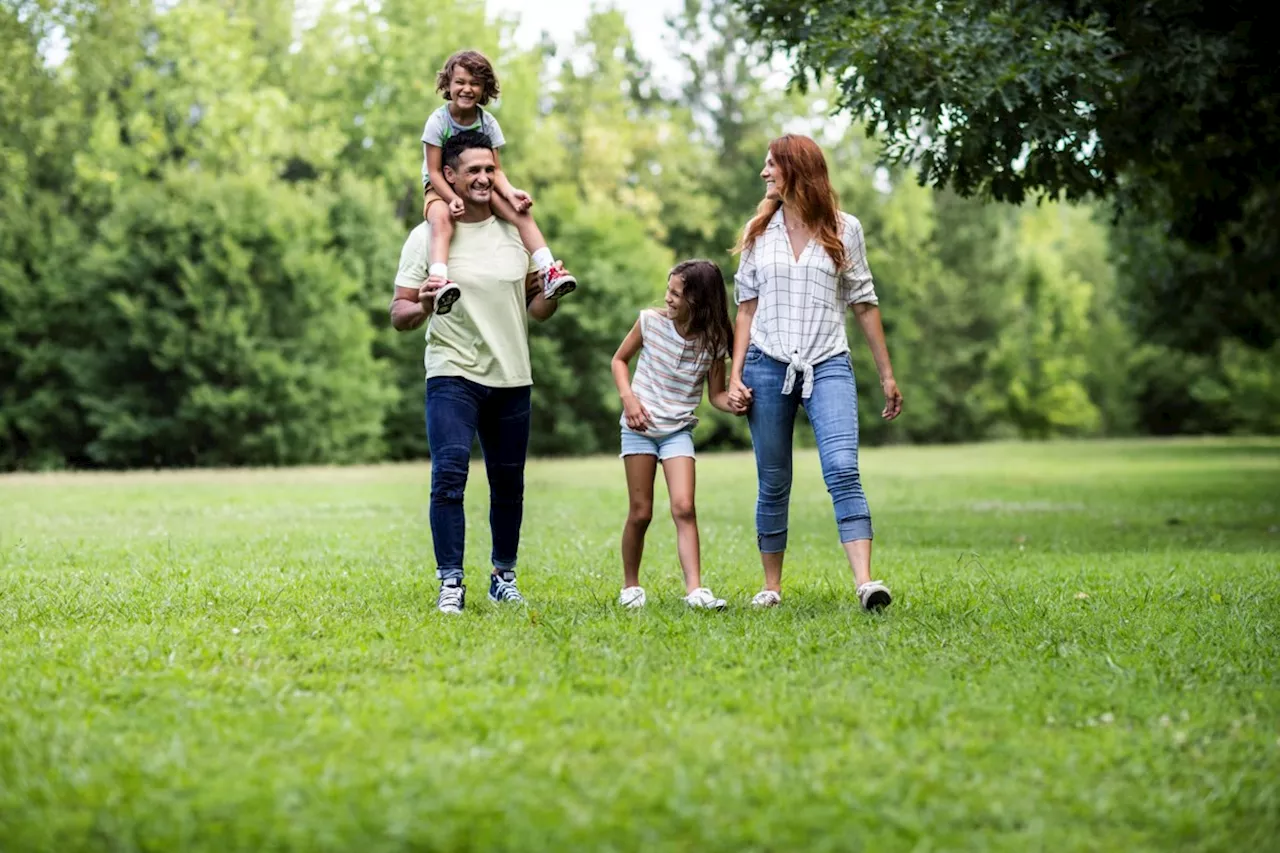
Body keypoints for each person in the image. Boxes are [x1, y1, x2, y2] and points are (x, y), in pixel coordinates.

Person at [727, 134, 904, 611]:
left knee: (844, 468)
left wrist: (886, 375)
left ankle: (866, 583)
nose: (764, 174)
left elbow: (864, 304)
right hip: (766, 365)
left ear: (796, 170)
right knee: (774, 478)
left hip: (828, 363)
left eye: (771, 166)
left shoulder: (845, 229)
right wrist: (734, 375)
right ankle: (771, 587)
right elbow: (745, 310)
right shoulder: (758, 232)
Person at [390, 129, 559, 614]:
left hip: (512, 376)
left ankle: (502, 575)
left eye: (490, 170)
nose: (484, 178)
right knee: (449, 476)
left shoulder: (515, 230)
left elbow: (535, 309)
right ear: (449, 176)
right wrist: (421, 306)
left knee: (509, 484)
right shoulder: (428, 236)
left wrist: (552, 293)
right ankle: (451, 581)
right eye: (473, 171)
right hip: (452, 373)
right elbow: (399, 313)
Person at [610, 261, 739, 610]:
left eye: (675, 293)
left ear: (698, 300)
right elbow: (619, 361)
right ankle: (630, 587)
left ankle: (695, 590)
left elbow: (716, 396)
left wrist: (737, 401)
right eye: (668, 290)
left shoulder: (714, 341)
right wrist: (629, 400)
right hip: (639, 429)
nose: (667, 298)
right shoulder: (649, 322)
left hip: (677, 430)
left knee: (684, 507)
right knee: (641, 512)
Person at [419, 49, 576, 316]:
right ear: (448, 84)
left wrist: (512, 193)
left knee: (520, 213)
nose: (467, 89)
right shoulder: (438, 121)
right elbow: (434, 171)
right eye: (460, 82)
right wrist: (451, 198)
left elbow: (497, 172)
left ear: (484, 88)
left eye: (475, 83)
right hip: (441, 186)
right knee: (442, 218)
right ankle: (439, 280)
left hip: (480, 183)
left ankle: (548, 270)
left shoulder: (487, 123)